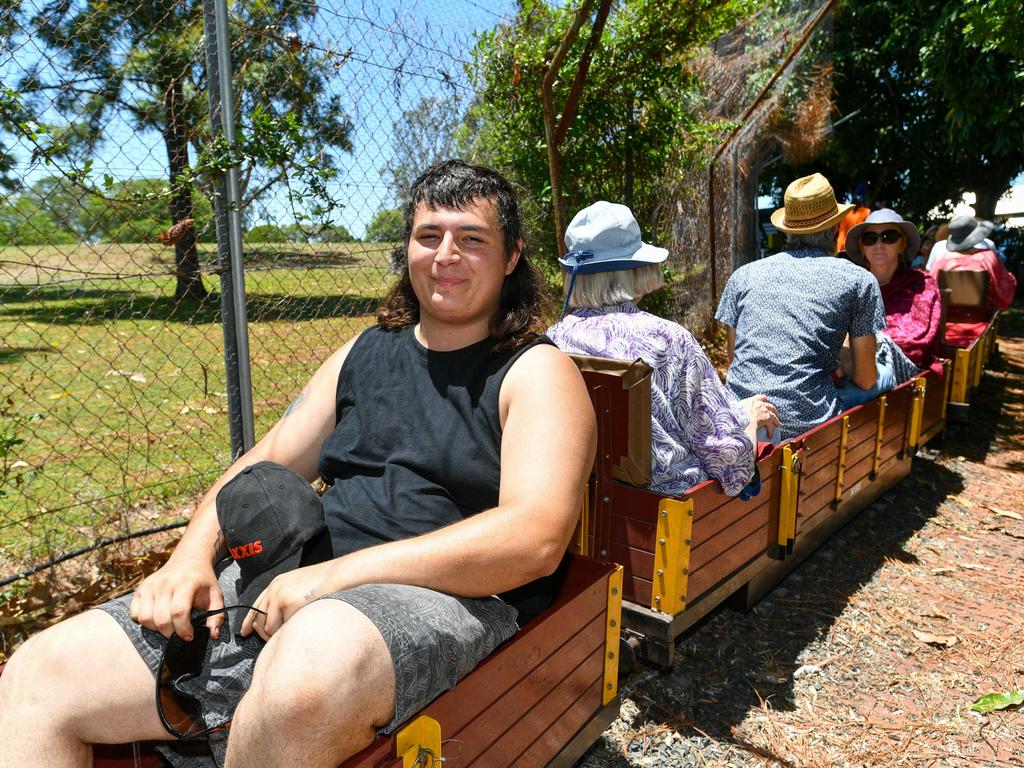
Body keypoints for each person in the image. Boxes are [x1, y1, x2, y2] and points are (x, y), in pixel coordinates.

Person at [0, 160, 597, 768]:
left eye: (472, 238)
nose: (446, 255)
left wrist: (337, 579)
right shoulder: (363, 353)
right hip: (293, 576)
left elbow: (535, 537)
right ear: (408, 248)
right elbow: (266, 458)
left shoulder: (537, 372)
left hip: (451, 596)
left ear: (513, 255)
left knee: (307, 674)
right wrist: (188, 557)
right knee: (37, 678)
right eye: (428, 236)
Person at [547, 201, 779, 498]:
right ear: (635, 270)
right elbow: (728, 460)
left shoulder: (552, 340)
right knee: (762, 422)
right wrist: (747, 418)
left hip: (583, 499)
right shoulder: (668, 340)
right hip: (670, 511)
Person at [715, 173, 886, 440]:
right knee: (885, 377)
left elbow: (735, 357)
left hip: (738, 418)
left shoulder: (743, 275)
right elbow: (865, 378)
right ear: (834, 228)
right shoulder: (859, 280)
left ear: (786, 228)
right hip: (805, 425)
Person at [845, 208, 943, 378]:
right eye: (870, 238)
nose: (879, 245)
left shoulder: (922, 285)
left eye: (888, 237)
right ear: (862, 246)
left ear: (902, 244)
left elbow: (913, 341)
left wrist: (859, 344)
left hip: (902, 371)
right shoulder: (851, 285)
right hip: (851, 364)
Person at [928, 215, 1017, 311]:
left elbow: (931, 288)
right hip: (983, 319)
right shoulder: (988, 258)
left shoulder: (942, 261)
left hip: (945, 320)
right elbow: (1004, 288)